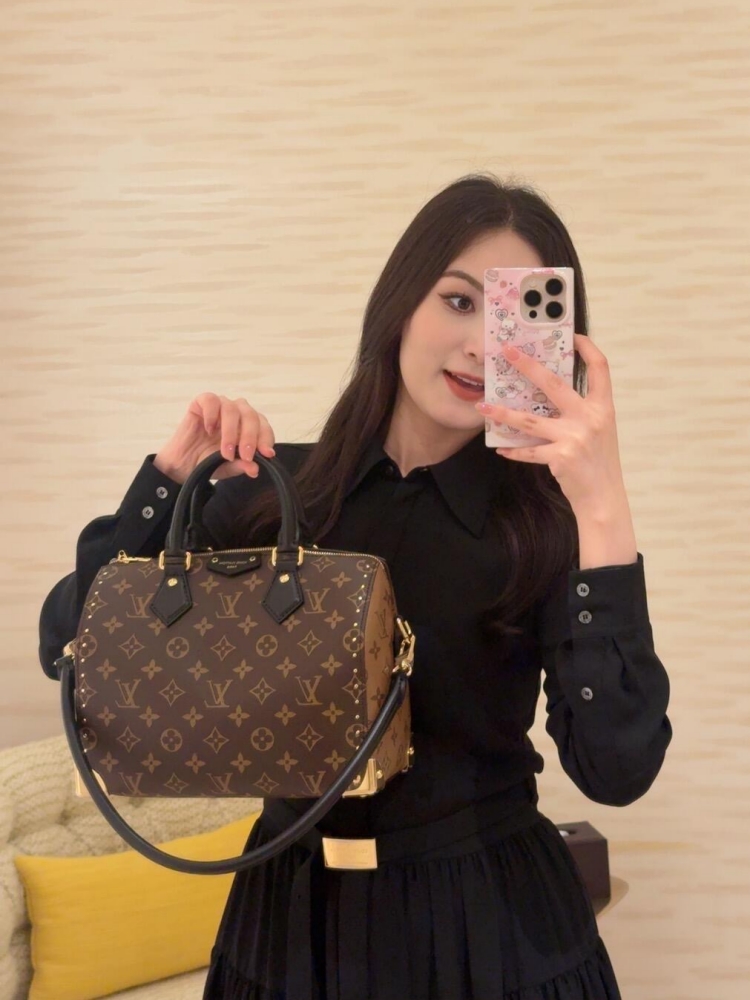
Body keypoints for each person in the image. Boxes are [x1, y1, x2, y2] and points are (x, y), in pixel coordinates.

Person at [39, 173, 672, 1000]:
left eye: (512, 318)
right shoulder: (273, 498)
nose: (482, 346)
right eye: (458, 302)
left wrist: (602, 502)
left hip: (491, 930)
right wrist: (167, 482)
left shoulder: (547, 528)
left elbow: (618, 768)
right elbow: (68, 644)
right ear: (399, 303)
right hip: (287, 924)